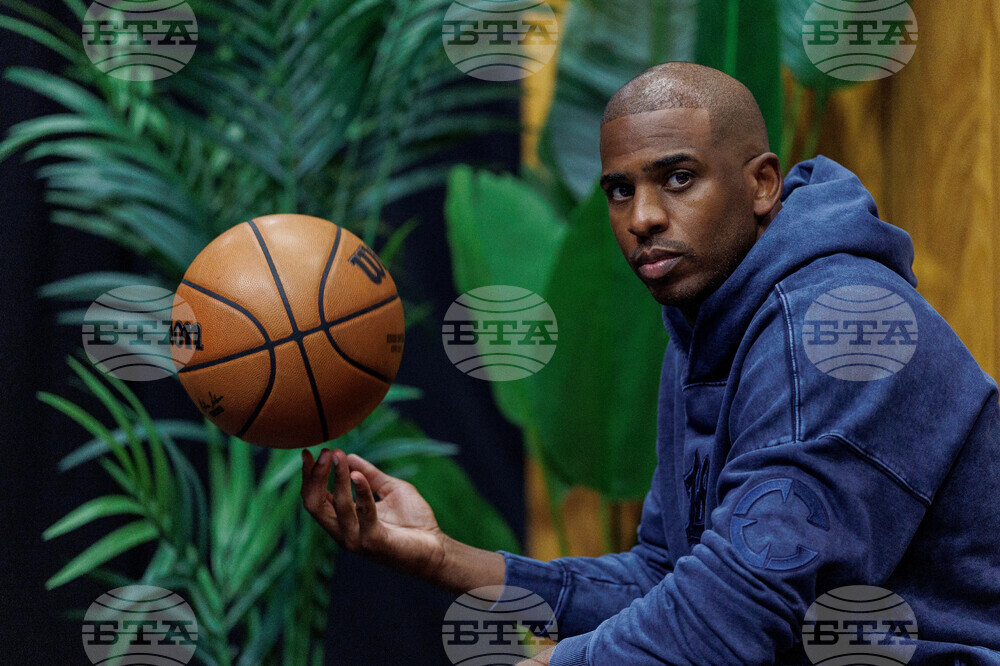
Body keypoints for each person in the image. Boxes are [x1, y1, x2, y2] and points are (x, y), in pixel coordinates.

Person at [300, 62, 1000, 664]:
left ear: (762, 184)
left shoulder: (830, 324)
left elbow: (737, 614)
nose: (642, 218)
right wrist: (439, 553)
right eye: (620, 190)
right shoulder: (706, 323)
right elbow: (662, 579)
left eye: (678, 178)